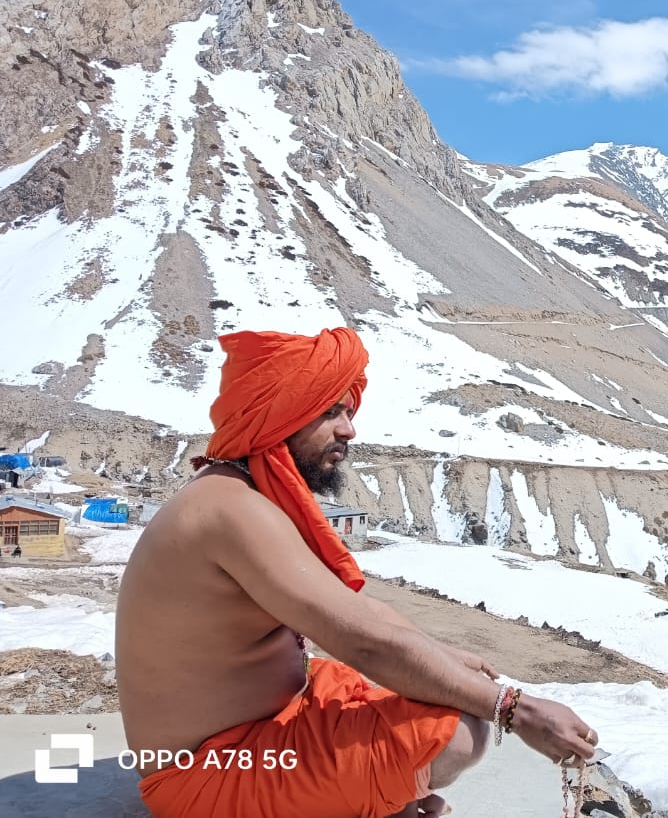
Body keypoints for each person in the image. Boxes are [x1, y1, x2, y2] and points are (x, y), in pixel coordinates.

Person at [115, 327, 598, 818]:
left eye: (347, 411)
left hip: (266, 724)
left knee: (429, 680)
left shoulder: (238, 494)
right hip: (208, 774)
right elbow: (361, 641)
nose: (348, 430)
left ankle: (367, 792)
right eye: (329, 412)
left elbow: (361, 614)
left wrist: (446, 657)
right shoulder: (232, 510)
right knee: (457, 730)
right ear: (278, 415)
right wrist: (516, 710)